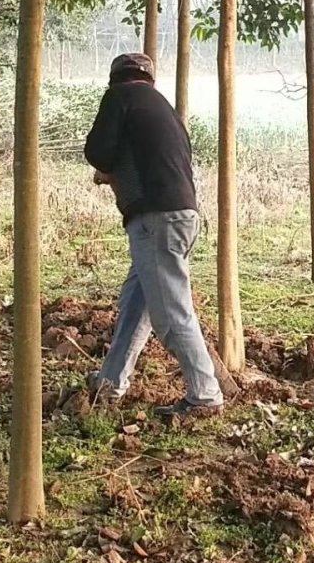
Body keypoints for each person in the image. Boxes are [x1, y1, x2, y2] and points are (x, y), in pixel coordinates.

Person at [83, 51, 223, 420]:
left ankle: (205, 394)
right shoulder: (161, 106)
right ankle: (111, 381)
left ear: (116, 78)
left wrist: (107, 172)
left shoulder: (120, 97)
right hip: (181, 215)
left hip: (155, 219)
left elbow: (98, 151)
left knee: (171, 315)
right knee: (136, 302)